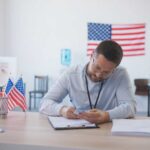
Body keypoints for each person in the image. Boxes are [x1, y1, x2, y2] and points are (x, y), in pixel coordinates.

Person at [39, 40, 136, 124]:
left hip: (108, 127)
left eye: (106, 72)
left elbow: (130, 107)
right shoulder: (70, 74)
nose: (98, 74)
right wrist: (62, 110)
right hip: (77, 127)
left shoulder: (121, 74)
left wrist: (107, 115)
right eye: (97, 67)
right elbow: (44, 103)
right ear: (92, 56)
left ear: (114, 69)